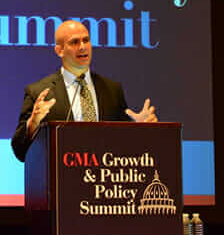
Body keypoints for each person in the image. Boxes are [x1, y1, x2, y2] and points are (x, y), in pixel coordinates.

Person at [11, 20, 158, 162]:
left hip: (104, 182)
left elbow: (125, 146)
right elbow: (20, 152)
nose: (82, 47)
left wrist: (140, 129)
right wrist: (32, 125)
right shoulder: (39, 92)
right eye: (74, 42)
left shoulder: (112, 90)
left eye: (86, 40)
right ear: (59, 50)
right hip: (62, 182)